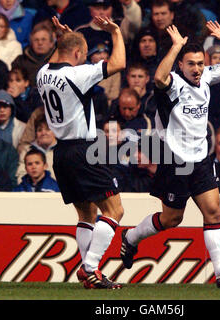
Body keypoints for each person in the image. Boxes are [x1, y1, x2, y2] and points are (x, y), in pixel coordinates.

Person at [119, 22, 220, 289]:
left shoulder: (206, 77)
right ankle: (131, 237)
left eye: (200, 63)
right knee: (171, 219)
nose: (197, 69)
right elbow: (158, 78)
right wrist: (176, 46)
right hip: (175, 160)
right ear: (180, 64)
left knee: (213, 211)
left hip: (201, 158)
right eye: (190, 63)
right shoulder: (172, 84)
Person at [36, 16, 126, 289]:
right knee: (115, 211)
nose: (84, 59)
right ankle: (90, 268)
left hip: (60, 153)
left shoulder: (42, 74)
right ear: (77, 54)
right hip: (84, 150)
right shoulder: (77, 74)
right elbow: (119, 63)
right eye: (83, 55)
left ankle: (89, 272)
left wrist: (64, 37)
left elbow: (59, 54)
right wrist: (116, 31)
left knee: (86, 215)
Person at [11, 21, 56, 87]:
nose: (40, 43)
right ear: (31, 42)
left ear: (51, 43)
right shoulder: (20, 61)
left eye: (43, 39)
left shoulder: (58, 60)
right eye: (36, 40)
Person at [16, 115, 57, 184]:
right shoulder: (27, 151)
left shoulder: (62, 151)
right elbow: (20, 175)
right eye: (39, 130)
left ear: (55, 132)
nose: (43, 133)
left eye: (47, 129)